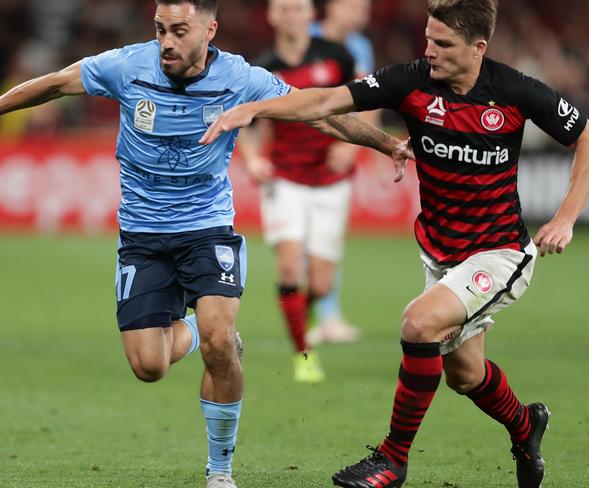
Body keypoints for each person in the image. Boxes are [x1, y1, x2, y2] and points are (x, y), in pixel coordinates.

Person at [0, 1, 412, 487]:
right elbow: (51, 83)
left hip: (207, 228)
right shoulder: (126, 66)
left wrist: (384, 142)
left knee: (221, 343)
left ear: (209, 30)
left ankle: (220, 472)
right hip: (143, 236)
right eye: (160, 30)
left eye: (179, 30)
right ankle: (196, 331)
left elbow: (317, 113)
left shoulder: (241, 78)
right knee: (148, 366)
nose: (167, 42)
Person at [200, 0, 589, 487]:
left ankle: (392, 459)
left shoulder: (515, 91)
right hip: (439, 251)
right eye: (428, 39)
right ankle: (526, 426)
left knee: (418, 324)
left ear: (478, 48)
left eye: (443, 44)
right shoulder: (411, 81)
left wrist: (565, 219)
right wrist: (254, 110)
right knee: (465, 375)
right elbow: (324, 101)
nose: (429, 50)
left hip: (499, 253)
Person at [237, 0, 359, 383]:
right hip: (285, 178)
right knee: (290, 267)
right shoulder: (263, 66)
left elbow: (367, 103)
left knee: (320, 285)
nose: (291, 14)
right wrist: (254, 158)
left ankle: (301, 323)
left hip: (330, 180)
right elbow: (245, 119)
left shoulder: (337, 57)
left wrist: (351, 145)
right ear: (271, 16)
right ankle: (303, 353)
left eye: (298, 8)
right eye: (283, 8)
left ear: (311, 15)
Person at [305, 0, 376, 345]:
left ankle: (327, 316)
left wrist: (354, 146)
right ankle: (310, 317)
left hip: (336, 155)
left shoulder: (361, 46)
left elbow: (371, 99)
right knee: (303, 243)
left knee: (328, 239)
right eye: (354, 5)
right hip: (301, 154)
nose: (360, 12)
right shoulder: (305, 37)